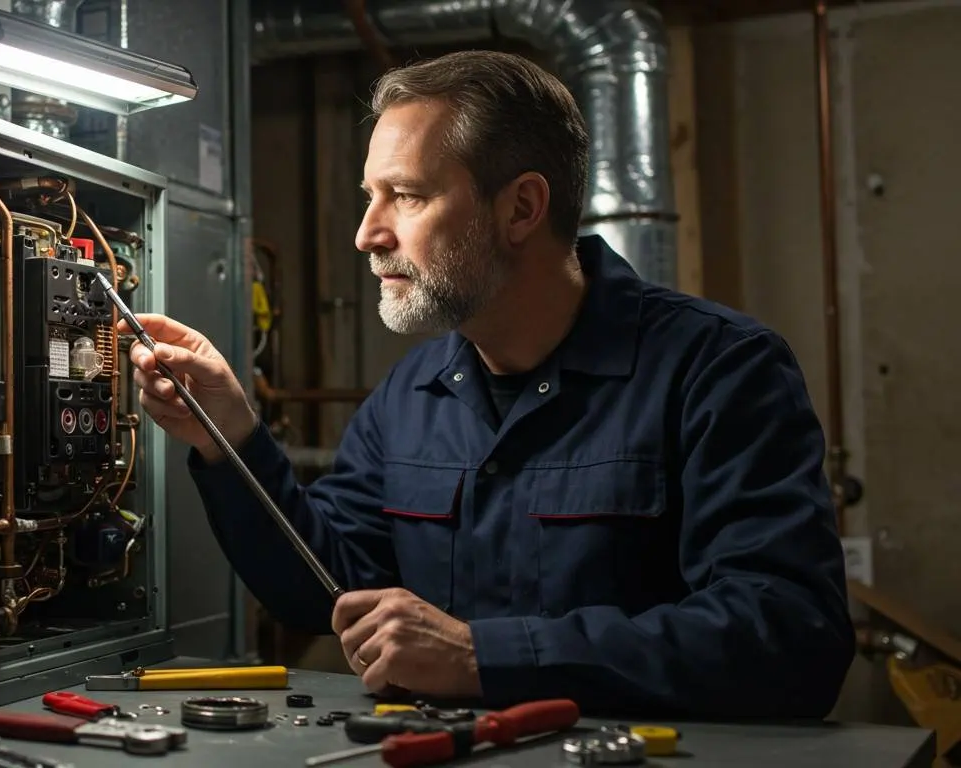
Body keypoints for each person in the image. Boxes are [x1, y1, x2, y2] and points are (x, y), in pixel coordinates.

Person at [118, 50, 854, 719]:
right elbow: (327, 588)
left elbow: (788, 636)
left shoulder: (719, 370)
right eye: (369, 196)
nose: (367, 234)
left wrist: (483, 658)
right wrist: (232, 437)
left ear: (521, 209)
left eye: (404, 196)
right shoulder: (413, 395)